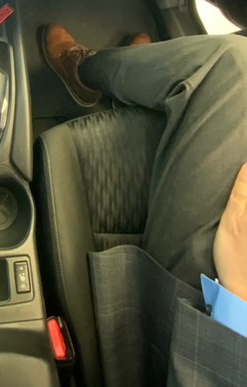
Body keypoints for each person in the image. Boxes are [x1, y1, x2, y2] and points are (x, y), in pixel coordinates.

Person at [42, 25, 247, 387]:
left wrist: (238, 296)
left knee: (233, 69)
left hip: (217, 346)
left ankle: (84, 71)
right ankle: (138, 74)